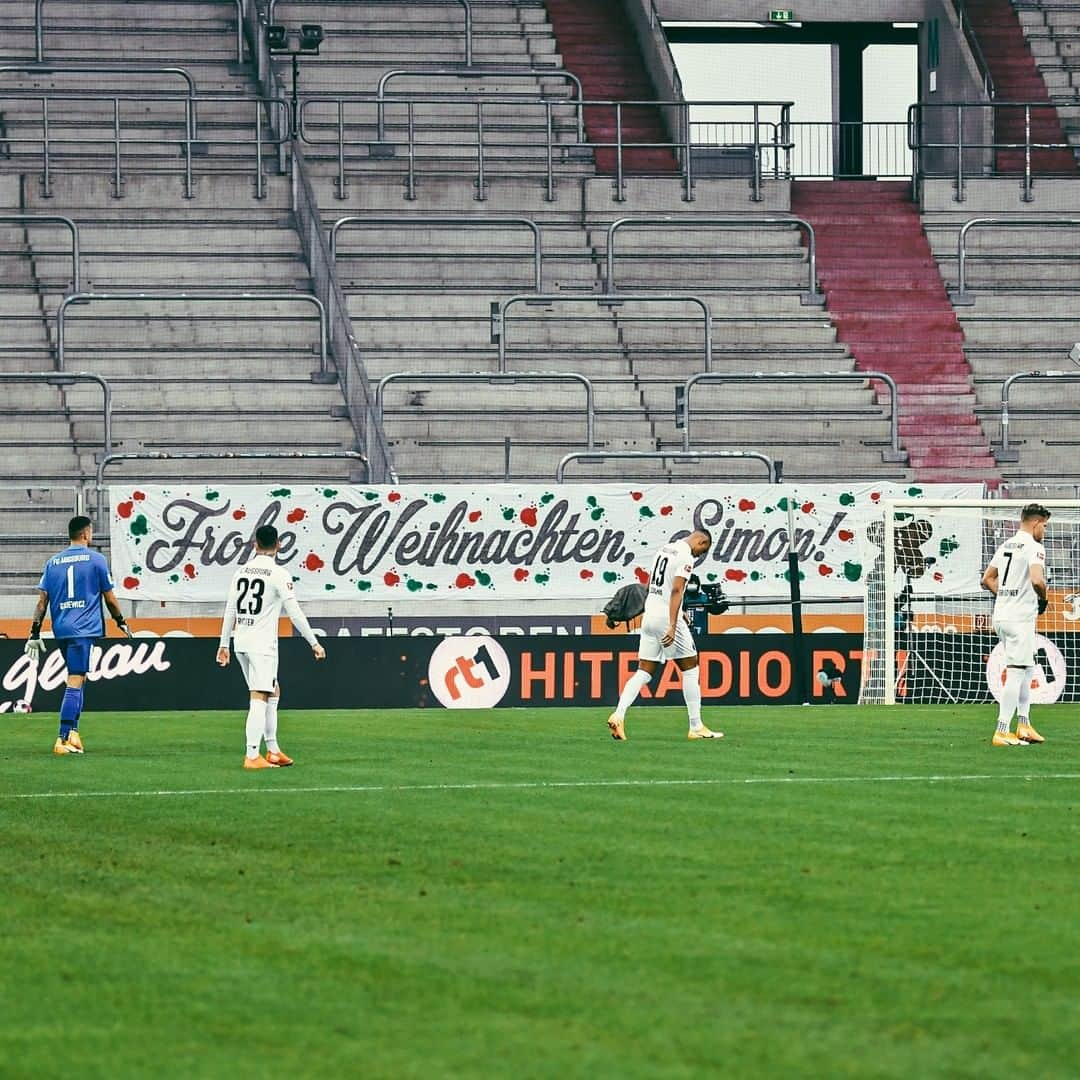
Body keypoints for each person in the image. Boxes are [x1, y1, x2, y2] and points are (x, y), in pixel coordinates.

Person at [217, 524, 326, 769]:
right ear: (279, 545)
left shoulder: (241, 572)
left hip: (241, 641)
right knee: (260, 695)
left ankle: (273, 750)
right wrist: (314, 642)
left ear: (255, 545)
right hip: (261, 644)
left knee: (273, 690)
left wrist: (224, 643)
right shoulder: (279, 574)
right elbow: (294, 612)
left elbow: (230, 609)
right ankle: (252, 755)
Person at [25, 515, 132, 755]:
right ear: (85, 534)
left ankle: (73, 733)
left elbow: (42, 602)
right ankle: (62, 737)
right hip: (83, 628)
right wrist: (120, 621)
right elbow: (110, 598)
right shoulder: (96, 560)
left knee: (79, 676)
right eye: (91, 532)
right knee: (75, 678)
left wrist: (34, 631)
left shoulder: (53, 563)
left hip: (61, 628)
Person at [606, 528, 723, 741]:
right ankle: (696, 726)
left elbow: (657, 585)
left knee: (644, 671)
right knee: (690, 668)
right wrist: (672, 623)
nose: (699, 554)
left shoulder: (664, 549)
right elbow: (677, 590)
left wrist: (680, 612)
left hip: (650, 614)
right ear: (701, 541)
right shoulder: (686, 557)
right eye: (702, 550)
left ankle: (619, 714)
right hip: (666, 618)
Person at [981, 503, 1050, 747]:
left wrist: (1006, 596)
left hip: (1001, 616)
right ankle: (1001, 729)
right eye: (1044, 525)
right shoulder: (1035, 547)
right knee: (1016, 671)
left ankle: (1024, 724)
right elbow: (1036, 579)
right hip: (1020, 619)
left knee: (1027, 667)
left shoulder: (1007, 544)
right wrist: (1044, 598)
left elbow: (987, 579)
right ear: (1035, 523)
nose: (1044, 530)